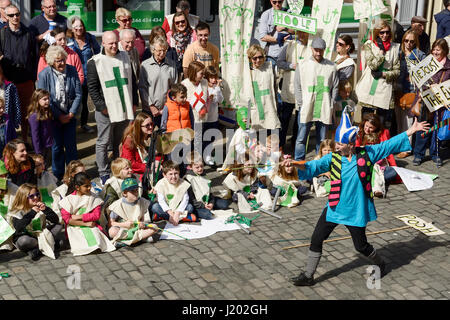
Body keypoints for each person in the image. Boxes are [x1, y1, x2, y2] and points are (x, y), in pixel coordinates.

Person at [289, 109, 430, 287]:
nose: (337, 146)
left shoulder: (367, 153)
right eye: (336, 143)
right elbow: (312, 166)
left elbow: (389, 145)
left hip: (355, 210)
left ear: (351, 144)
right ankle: (308, 275)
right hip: (334, 207)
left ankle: (381, 263)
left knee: (361, 246)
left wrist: (410, 131)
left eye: (341, 143)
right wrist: (295, 164)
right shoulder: (332, 158)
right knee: (316, 238)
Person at [87, 31, 138, 185]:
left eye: (116, 42)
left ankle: (118, 168)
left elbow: (132, 80)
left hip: (124, 107)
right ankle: (103, 172)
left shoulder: (125, 56)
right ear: (103, 43)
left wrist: (134, 102)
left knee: (118, 142)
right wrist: (102, 107)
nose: (114, 46)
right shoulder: (95, 62)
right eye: (110, 43)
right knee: (103, 142)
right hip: (106, 111)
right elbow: (93, 87)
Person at [37, 45, 81, 181]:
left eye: (63, 60)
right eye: (58, 61)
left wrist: (71, 113)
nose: (61, 63)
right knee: (56, 148)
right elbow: (43, 98)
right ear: (51, 62)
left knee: (71, 147)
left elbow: (79, 94)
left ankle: (74, 175)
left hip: (70, 116)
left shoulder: (72, 70)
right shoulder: (44, 75)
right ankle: (57, 176)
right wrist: (59, 116)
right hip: (53, 117)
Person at [294, 37, 339, 161]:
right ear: (311, 49)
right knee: (301, 138)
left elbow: (335, 86)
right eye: (316, 50)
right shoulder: (302, 65)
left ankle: (321, 164)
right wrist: (300, 103)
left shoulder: (331, 66)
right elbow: (297, 85)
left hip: (324, 106)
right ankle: (299, 163)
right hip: (307, 105)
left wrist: (331, 103)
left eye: (321, 50)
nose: (318, 53)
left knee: (322, 140)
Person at [0, 4, 39, 141]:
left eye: (17, 14)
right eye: (11, 15)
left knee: (26, 113)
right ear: (6, 16)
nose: (15, 17)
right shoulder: (2, 34)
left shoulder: (29, 33)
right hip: (8, 81)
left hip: (26, 81)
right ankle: (9, 142)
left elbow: (35, 56)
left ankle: (25, 139)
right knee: (7, 113)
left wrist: (33, 78)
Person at [355, 20, 400, 128]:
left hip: (384, 88)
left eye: (387, 32)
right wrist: (381, 53)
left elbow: (397, 71)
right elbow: (372, 65)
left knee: (380, 124)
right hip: (369, 85)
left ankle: (379, 144)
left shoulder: (394, 47)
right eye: (382, 32)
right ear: (377, 33)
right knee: (366, 123)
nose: (385, 35)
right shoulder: (369, 45)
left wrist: (383, 74)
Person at [413, 39, 450, 168]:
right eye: (434, 49)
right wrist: (424, 90)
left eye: (438, 50)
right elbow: (419, 81)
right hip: (427, 101)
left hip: (441, 103)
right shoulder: (427, 64)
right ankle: (419, 154)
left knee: (438, 128)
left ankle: (436, 154)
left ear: (445, 51)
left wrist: (439, 87)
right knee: (424, 127)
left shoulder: (449, 66)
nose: (435, 52)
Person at [60, 172, 115, 256]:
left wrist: (78, 216)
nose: (89, 188)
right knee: (80, 242)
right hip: (75, 226)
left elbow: (96, 215)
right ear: (77, 187)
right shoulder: (68, 200)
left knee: (97, 240)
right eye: (86, 186)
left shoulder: (94, 197)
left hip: (91, 224)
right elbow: (67, 219)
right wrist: (84, 223)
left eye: (90, 185)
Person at [7, 183, 63, 260]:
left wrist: (46, 210)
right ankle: (47, 243)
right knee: (23, 241)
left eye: (37, 194)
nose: (36, 197)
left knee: (59, 226)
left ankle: (36, 249)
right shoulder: (17, 211)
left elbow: (55, 220)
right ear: (23, 198)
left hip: (40, 235)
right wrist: (31, 213)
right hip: (26, 238)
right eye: (31, 196)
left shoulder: (40, 206)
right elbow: (18, 228)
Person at [67, 16, 101, 134]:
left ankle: (84, 123)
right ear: (71, 28)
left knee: (86, 101)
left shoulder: (90, 38)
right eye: (75, 27)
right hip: (72, 76)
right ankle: (71, 124)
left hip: (89, 75)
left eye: (80, 26)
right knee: (73, 101)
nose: (79, 29)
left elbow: (98, 53)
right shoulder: (67, 40)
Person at [277, 30, 310, 149]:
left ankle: (296, 144)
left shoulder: (311, 48)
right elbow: (279, 62)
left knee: (300, 119)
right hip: (289, 86)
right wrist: (291, 66)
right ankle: (280, 144)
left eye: (304, 33)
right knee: (285, 117)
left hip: (304, 89)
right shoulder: (290, 46)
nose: (302, 35)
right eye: (300, 33)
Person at [396, 30, 426, 159]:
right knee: (399, 121)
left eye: (412, 41)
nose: (408, 43)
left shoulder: (420, 55)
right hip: (398, 90)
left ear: (416, 42)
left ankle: (406, 148)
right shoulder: (399, 53)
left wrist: (421, 92)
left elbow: (425, 74)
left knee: (408, 122)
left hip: (412, 91)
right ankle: (398, 145)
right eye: (406, 40)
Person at [108, 177, 159, 246]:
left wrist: (142, 224)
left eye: (136, 190)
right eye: (132, 191)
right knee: (112, 231)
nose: (136, 193)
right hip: (124, 230)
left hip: (136, 229)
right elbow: (111, 223)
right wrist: (124, 224)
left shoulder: (141, 202)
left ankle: (124, 241)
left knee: (154, 228)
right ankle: (139, 239)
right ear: (125, 193)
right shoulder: (118, 205)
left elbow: (142, 219)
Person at [140, 36, 178, 126]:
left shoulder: (171, 64)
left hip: (166, 109)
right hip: (149, 110)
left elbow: (174, 88)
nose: (162, 53)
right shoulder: (145, 65)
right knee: (149, 137)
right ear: (153, 50)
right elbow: (142, 88)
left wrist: (168, 106)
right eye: (159, 50)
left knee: (166, 137)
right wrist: (151, 106)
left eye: (164, 50)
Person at [184, 151, 229, 220]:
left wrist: (211, 203)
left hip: (206, 201)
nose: (200, 169)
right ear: (190, 167)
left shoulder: (204, 175)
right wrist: (203, 205)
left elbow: (209, 192)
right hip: (196, 204)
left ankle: (209, 207)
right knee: (208, 215)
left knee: (225, 204)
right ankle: (194, 213)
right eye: (197, 167)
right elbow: (191, 199)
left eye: (202, 166)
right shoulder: (188, 179)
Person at [356, 113, 398, 184]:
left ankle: (371, 178)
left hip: (378, 164)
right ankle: (375, 179)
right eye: (366, 126)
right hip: (363, 162)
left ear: (376, 127)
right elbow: (356, 150)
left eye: (371, 127)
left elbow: (387, 151)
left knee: (393, 172)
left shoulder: (383, 133)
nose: (367, 129)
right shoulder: (359, 132)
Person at [247, 44, 281, 132]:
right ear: (250, 59)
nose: (258, 60)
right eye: (255, 58)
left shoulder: (269, 69)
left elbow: (275, 87)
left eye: (260, 57)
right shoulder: (247, 72)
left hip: (268, 106)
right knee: (253, 137)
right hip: (253, 108)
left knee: (268, 136)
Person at [151, 160, 196, 226]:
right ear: (164, 175)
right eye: (170, 174)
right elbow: (161, 201)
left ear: (179, 173)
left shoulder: (182, 183)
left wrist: (178, 212)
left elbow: (185, 199)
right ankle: (180, 218)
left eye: (176, 173)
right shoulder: (161, 184)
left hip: (178, 208)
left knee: (190, 207)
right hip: (167, 209)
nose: (174, 177)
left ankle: (162, 217)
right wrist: (170, 214)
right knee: (155, 207)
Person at [181, 61, 209, 154]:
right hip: (190, 117)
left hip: (201, 117)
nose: (203, 75)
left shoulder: (204, 82)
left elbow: (206, 97)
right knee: (189, 141)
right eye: (201, 73)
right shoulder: (185, 84)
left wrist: (205, 108)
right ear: (194, 72)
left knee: (198, 140)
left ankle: (197, 161)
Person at [120, 112, 154, 179]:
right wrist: (148, 167)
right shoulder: (129, 140)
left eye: (151, 124)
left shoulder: (150, 135)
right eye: (147, 125)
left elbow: (157, 152)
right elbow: (130, 163)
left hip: (147, 166)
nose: (151, 127)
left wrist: (157, 163)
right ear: (139, 127)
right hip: (134, 173)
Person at [203, 66, 224, 165]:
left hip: (214, 117)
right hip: (205, 118)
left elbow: (220, 100)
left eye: (215, 77)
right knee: (204, 138)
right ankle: (204, 156)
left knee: (212, 137)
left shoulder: (217, 88)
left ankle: (208, 155)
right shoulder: (204, 87)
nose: (214, 80)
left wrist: (217, 90)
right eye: (211, 78)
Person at [27, 89, 53, 166]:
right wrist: (38, 152)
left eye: (48, 98)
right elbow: (35, 135)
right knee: (41, 166)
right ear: (37, 100)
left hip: (48, 144)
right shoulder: (34, 116)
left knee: (47, 165)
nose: (47, 101)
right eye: (44, 99)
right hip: (41, 147)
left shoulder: (47, 111)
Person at [167, 11, 197, 76]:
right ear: (174, 24)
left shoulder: (194, 34)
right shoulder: (169, 36)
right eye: (177, 22)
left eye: (183, 21)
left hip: (191, 70)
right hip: (174, 71)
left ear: (187, 21)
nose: (180, 24)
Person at [258, 0, 287, 66]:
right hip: (273, 55)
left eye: (279, 2)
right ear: (271, 1)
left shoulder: (289, 13)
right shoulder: (266, 14)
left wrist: (286, 29)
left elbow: (296, 32)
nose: (277, 4)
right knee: (272, 76)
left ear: (283, 1)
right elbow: (263, 37)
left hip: (288, 54)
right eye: (274, 2)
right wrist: (279, 40)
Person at [0, 65, 21, 135]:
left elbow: (16, 105)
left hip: (7, 122)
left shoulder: (10, 87)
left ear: (1, 74)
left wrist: (16, 121)